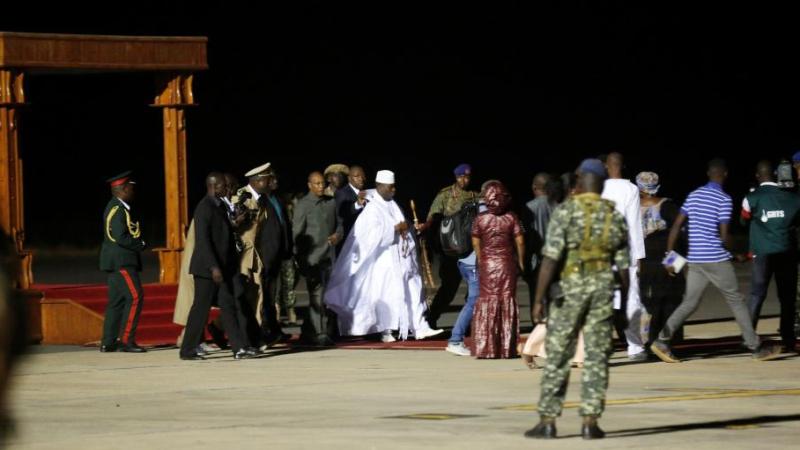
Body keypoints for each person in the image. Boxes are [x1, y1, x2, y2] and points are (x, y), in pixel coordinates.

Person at [525, 159, 630, 440]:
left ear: (580, 180)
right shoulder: (613, 216)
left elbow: (550, 260)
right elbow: (623, 268)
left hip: (569, 291)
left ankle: (548, 421)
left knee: (558, 356)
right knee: (596, 358)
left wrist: (538, 299)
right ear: (603, 183)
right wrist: (622, 307)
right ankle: (590, 422)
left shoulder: (566, 211)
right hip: (602, 293)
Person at [649, 159, 782, 363]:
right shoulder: (723, 199)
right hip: (716, 260)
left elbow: (676, 227)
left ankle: (662, 341)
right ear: (725, 175)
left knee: (689, 303)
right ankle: (755, 347)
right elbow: (724, 236)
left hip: (696, 261)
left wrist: (670, 257)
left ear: (708, 174)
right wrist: (737, 254)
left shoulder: (693, 196)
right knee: (736, 301)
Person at [324, 170, 443, 342]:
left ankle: (420, 326)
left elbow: (403, 224)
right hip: (383, 261)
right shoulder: (372, 207)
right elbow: (369, 235)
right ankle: (386, 330)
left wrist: (409, 229)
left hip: (403, 258)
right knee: (387, 295)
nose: (393, 190)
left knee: (413, 288)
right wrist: (394, 229)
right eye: (390, 187)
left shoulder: (393, 204)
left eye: (394, 186)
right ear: (380, 186)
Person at [179, 172, 254, 360]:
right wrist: (213, 267)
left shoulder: (218, 206)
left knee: (228, 307)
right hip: (207, 269)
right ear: (212, 186)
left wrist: (235, 224)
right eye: (222, 185)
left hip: (222, 267)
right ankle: (187, 349)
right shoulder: (204, 208)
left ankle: (239, 348)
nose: (226, 189)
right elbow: (203, 241)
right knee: (200, 309)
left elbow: (223, 233)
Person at [741, 160, 800, 353]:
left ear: (758, 176)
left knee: (757, 295)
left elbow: (743, 221)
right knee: (787, 297)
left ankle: (748, 337)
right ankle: (788, 338)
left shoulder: (752, 197)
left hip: (762, 254)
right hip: (787, 253)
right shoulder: (794, 197)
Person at [415, 163, 479, 328]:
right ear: (455, 177)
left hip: (469, 249)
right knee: (449, 288)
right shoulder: (445, 195)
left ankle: (468, 324)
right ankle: (431, 318)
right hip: (449, 250)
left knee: (473, 287)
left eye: (467, 177)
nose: (464, 180)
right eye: (461, 177)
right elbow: (433, 215)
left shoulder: (475, 196)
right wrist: (425, 227)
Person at [600, 152, 647, 361]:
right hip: (624, 253)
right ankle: (634, 347)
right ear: (623, 166)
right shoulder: (631, 189)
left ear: (605, 166)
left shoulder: (598, 188)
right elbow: (634, 225)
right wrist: (639, 256)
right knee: (631, 300)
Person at [470, 181, 524, 358]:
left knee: (487, 301)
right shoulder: (512, 217)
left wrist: (481, 259)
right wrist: (521, 262)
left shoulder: (480, 219)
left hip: (487, 264)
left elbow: (476, 241)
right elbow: (520, 241)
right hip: (507, 264)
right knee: (506, 300)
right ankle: (506, 348)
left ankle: (487, 348)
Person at [99, 171, 147, 353]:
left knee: (117, 301)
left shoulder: (120, 207)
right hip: (122, 261)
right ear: (123, 189)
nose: (133, 191)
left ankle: (108, 341)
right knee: (135, 296)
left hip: (116, 261)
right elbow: (119, 236)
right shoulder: (117, 209)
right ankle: (127, 340)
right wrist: (139, 244)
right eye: (131, 188)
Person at [636, 171, 685, 345]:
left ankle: (649, 342)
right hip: (670, 259)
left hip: (646, 262)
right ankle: (670, 341)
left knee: (650, 303)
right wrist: (677, 263)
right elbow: (682, 233)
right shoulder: (668, 206)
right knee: (674, 300)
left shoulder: (633, 208)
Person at [293, 172, 342, 346]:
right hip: (312, 259)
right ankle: (320, 333)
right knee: (317, 296)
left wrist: (337, 235)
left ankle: (309, 330)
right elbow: (297, 234)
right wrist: (300, 258)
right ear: (309, 185)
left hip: (330, 258)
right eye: (317, 183)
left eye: (322, 183)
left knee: (327, 297)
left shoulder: (330, 203)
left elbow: (339, 224)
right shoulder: (303, 205)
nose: (321, 186)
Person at [334, 165, 368, 255]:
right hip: (349, 240)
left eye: (362, 176)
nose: (361, 179)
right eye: (357, 176)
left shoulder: (365, 192)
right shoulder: (342, 193)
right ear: (349, 178)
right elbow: (342, 213)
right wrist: (357, 204)